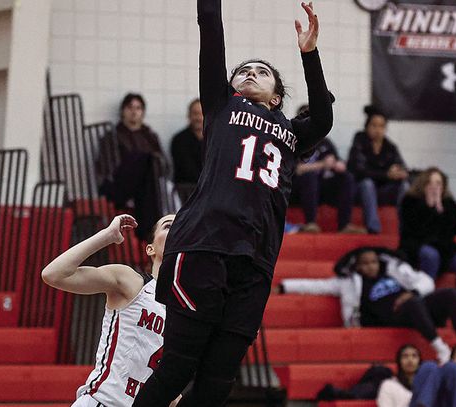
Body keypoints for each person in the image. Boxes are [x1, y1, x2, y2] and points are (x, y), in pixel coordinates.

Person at [133, 1, 333, 406]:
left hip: (256, 260)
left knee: (218, 381)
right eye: (243, 71)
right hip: (205, 245)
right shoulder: (222, 105)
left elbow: (324, 118)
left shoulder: (293, 132)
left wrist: (309, 53)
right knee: (179, 365)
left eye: (262, 71)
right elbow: (210, 27)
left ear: (277, 97)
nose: (250, 74)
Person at [41, 214, 180, 407]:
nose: (177, 230)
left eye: (182, 226)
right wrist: (107, 235)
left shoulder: (185, 313)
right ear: (150, 248)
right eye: (168, 226)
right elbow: (53, 274)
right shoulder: (132, 282)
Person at [280, 247, 456, 363]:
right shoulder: (349, 282)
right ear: (358, 266)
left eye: (374, 262)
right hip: (392, 317)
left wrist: (413, 292)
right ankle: (442, 350)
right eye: (365, 263)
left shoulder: (394, 271)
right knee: (413, 304)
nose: (371, 266)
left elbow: (425, 281)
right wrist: (284, 286)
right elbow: (316, 286)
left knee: (450, 293)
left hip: (416, 307)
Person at [96, 94, 169, 240]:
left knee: (149, 165)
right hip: (119, 186)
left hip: (146, 187)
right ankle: (150, 232)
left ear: (143, 112)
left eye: (138, 108)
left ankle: (148, 232)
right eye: (130, 107)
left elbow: (164, 166)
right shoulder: (112, 136)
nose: (134, 112)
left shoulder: (150, 136)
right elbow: (108, 169)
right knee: (145, 160)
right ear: (123, 111)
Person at [292, 104, 365, 234]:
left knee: (347, 177)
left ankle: (344, 225)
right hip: (299, 187)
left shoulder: (324, 141)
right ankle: (311, 223)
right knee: (310, 176)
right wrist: (322, 165)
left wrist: (338, 165)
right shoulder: (293, 141)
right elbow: (296, 169)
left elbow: (337, 162)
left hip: (321, 186)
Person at [399, 167, 456, 291]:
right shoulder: (410, 201)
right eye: (430, 182)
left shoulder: (448, 203)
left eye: (438, 183)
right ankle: (426, 293)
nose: (434, 186)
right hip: (417, 244)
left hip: (444, 246)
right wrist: (428, 208)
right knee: (430, 255)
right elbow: (413, 229)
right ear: (423, 184)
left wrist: (440, 209)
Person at [347, 105, 408, 234]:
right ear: (367, 126)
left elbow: (402, 167)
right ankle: (373, 228)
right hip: (363, 191)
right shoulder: (360, 140)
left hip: (383, 191)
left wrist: (398, 171)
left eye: (381, 126)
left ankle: (405, 228)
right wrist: (386, 174)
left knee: (405, 186)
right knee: (367, 183)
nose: (377, 130)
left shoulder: (390, 146)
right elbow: (359, 170)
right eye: (374, 125)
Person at [170, 99, 204, 203]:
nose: (198, 118)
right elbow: (187, 170)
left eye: (201, 114)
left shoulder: (215, 139)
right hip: (184, 193)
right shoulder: (179, 140)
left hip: (209, 190)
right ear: (189, 116)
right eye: (195, 114)